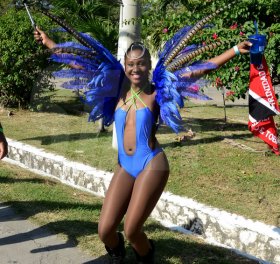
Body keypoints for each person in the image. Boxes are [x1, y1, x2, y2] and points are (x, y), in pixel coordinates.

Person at [34, 26, 251, 263]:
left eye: (141, 64)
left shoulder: (157, 92)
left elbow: (197, 69)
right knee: (105, 231)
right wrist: (48, 43)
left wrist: (234, 50)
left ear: (149, 66)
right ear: (125, 67)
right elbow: (80, 64)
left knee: (131, 230)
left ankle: (146, 256)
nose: (136, 68)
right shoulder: (116, 89)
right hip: (125, 165)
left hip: (151, 163)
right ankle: (117, 254)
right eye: (131, 64)